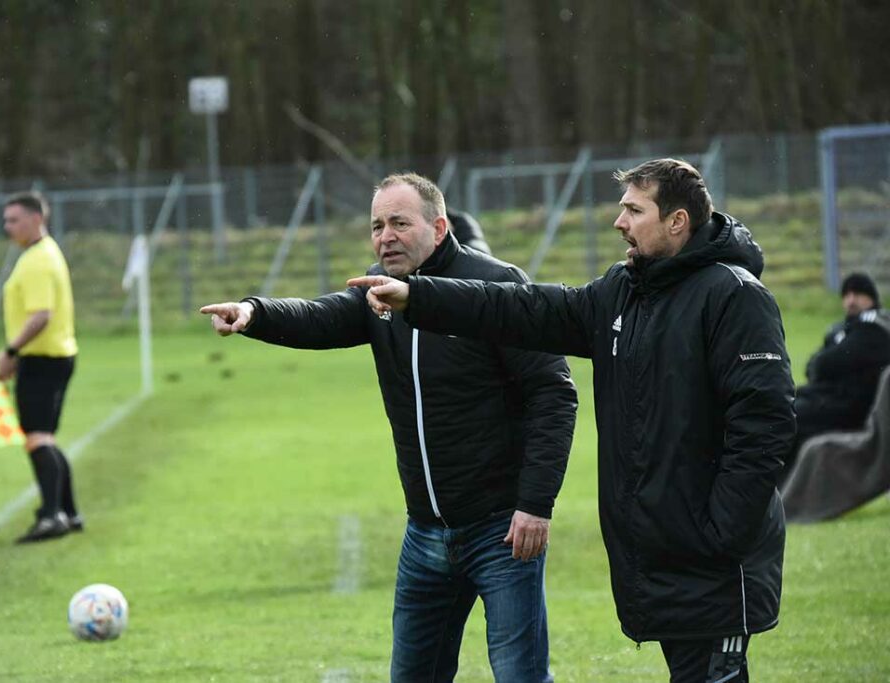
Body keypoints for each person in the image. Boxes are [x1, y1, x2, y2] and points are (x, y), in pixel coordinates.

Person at [351, 159, 796, 683]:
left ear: (677, 221)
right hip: (665, 547)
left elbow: (765, 425)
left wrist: (721, 529)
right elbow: (525, 309)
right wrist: (420, 296)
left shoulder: (734, 295)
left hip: (711, 553)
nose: (619, 222)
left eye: (634, 209)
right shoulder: (626, 291)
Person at [201, 173, 577, 682]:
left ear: (439, 227)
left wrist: (535, 504)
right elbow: (322, 316)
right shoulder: (377, 291)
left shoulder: (495, 287)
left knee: (520, 677)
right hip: (425, 533)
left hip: (502, 531)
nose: (385, 237)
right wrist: (255, 312)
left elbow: (553, 393)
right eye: (377, 225)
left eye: (400, 223)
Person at [0, 192, 82, 544]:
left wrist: (11, 351)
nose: (7, 227)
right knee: (44, 437)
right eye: (6, 220)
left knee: (36, 439)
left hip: (43, 358)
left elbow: (41, 315)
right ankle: (69, 512)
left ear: (36, 219)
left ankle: (51, 517)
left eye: (14, 219)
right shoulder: (47, 252)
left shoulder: (36, 261)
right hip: (56, 355)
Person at [788, 273, 890, 473]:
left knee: (787, 417)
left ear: (871, 298)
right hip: (829, 398)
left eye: (858, 294)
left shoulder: (874, 324)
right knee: (780, 405)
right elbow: (813, 366)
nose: (851, 300)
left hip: (850, 407)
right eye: (847, 295)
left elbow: (824, 363)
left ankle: (782, 491)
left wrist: (824, 364)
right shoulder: (843, 328)